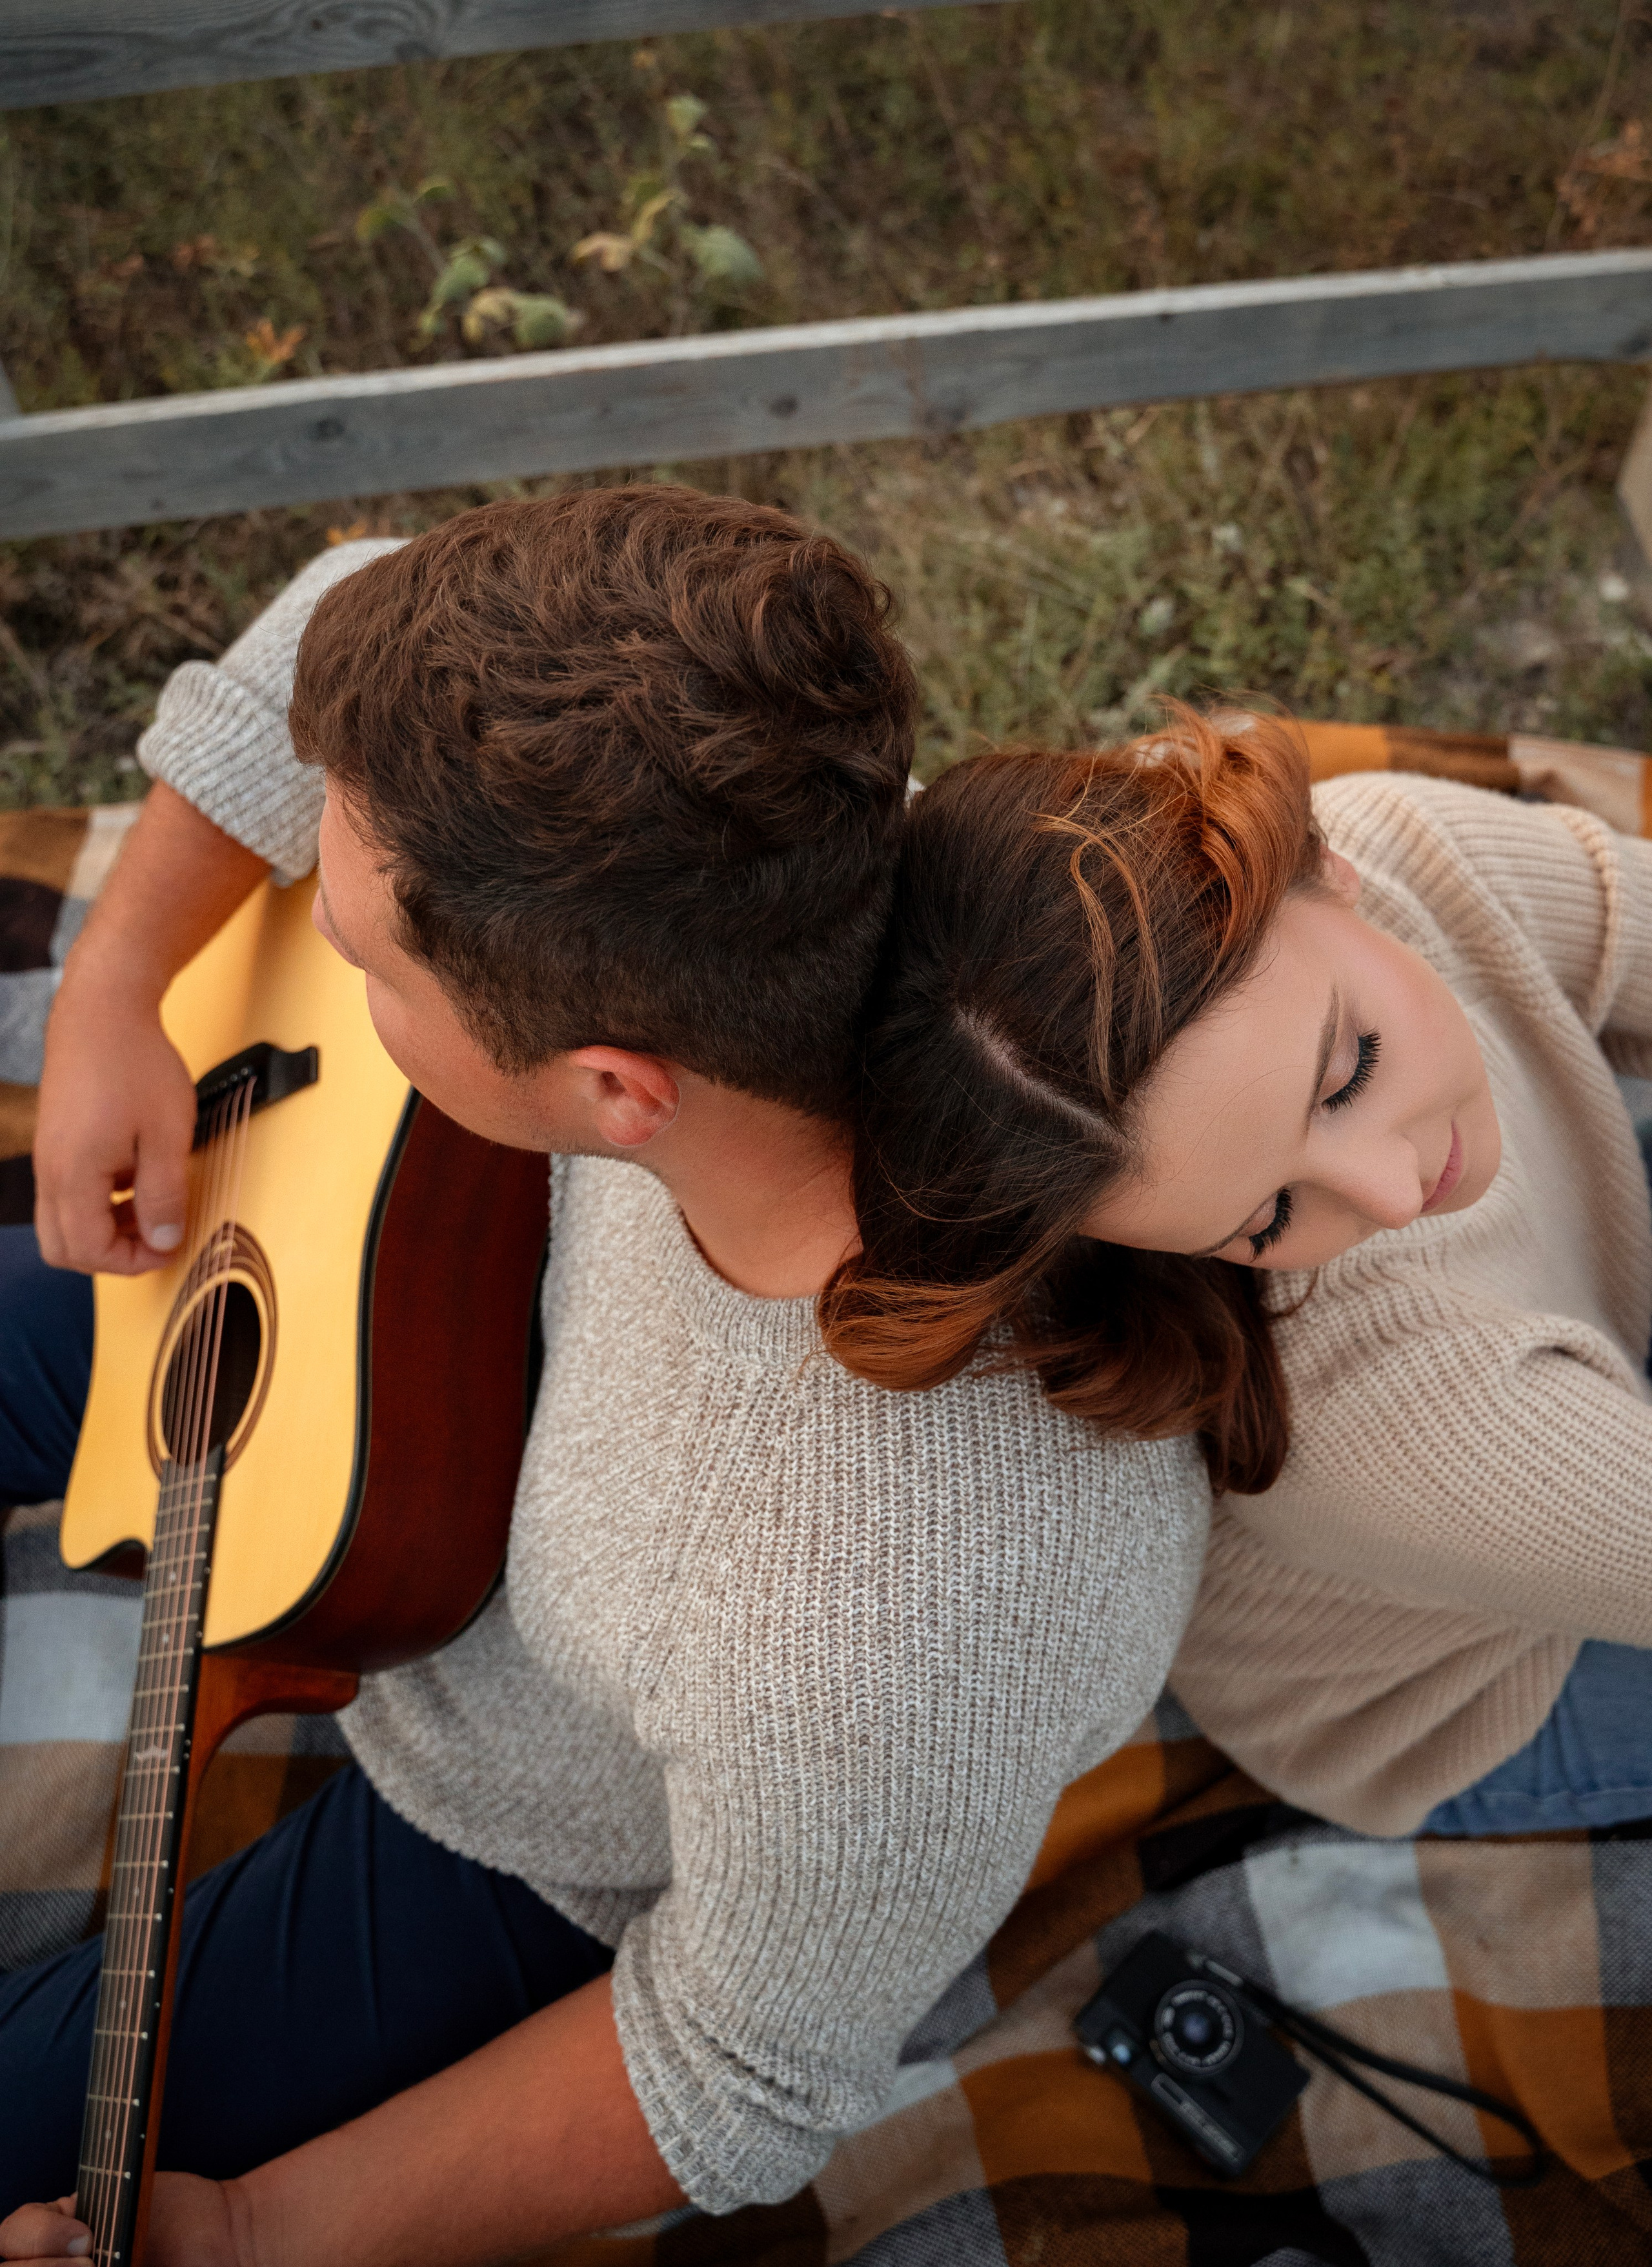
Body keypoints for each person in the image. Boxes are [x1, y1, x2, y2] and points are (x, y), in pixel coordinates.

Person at [0, 489, 1210, 2266]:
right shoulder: (774, 808)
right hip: (394, 1300)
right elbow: (357, 595)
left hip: (513, 1827)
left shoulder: (883, 1621)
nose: (318, 947)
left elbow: (739, 2063)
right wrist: (116, 982)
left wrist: (251, 2231)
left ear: (613, 1088)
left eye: (368, 961)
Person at [824, 704, 1652, 1844]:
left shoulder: (1408, 849)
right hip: (1483, 1689)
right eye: (1268, 1220)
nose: (1392, 1193)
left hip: (1592, 1317)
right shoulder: (1384, 1418)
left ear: (1324, 868)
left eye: (1350, 1071)